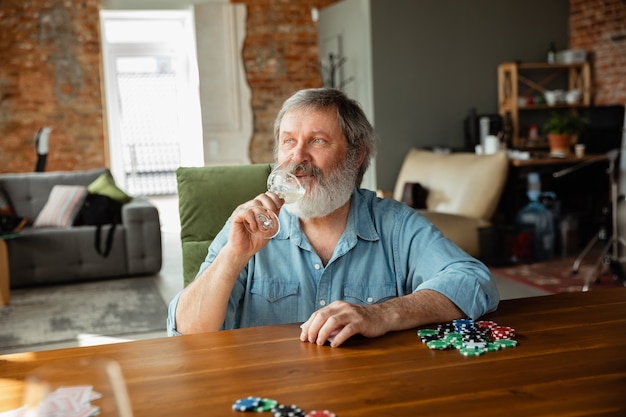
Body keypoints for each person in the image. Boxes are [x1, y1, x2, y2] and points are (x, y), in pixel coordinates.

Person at [167, 87, 499, 347]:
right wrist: (232, 257)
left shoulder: (394, 224)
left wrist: (382, 314)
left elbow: (473, 281)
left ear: (356, 156)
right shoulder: (247, 227)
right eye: (288, 142)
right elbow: (188, 332)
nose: (298, 157)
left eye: (317, 141)